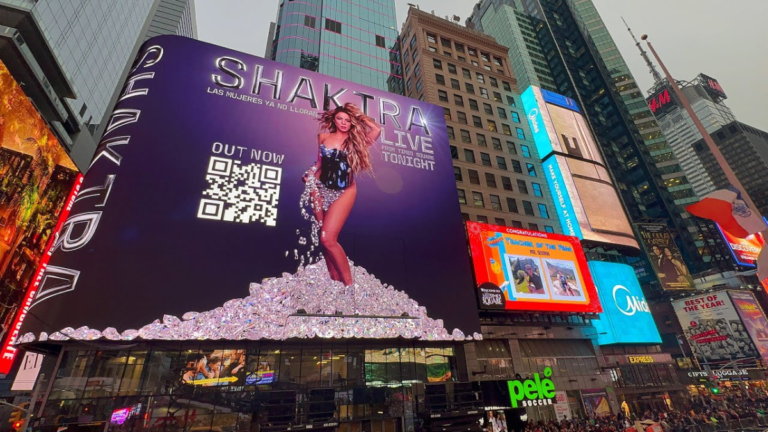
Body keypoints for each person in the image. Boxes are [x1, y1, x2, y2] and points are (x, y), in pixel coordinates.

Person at [303, 103, 381, 287]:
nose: (344, 123)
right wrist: (309, 174)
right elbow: (319, 163)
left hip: (345, 190)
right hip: (319, 188)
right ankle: (334, 280)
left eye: (347, 120)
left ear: (352, 122)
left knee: (328, 238)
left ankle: (350, 287)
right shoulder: (323, 137)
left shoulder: (357, 142)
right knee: (324, 237)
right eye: (340, 119)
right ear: (334, 120)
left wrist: (359, 116)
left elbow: (376, 129)